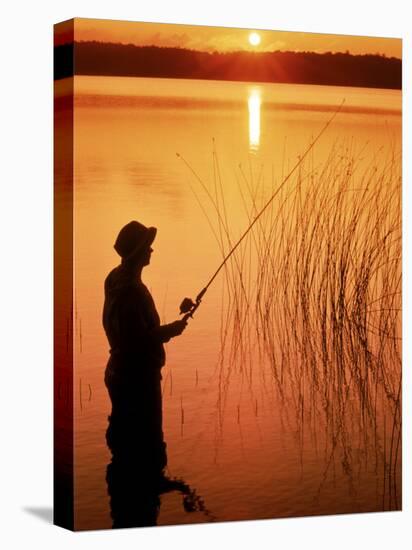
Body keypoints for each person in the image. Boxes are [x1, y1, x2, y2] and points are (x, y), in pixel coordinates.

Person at [103, 220, 187, 475]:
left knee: (125, 438)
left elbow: (133, 333)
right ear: (137, 252)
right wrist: (172, 329)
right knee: (147, 444)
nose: (151, 251)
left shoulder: (115, 278)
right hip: (137, 379)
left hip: (118, 372)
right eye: (147, 247)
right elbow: (139, 340)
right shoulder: (131, 291)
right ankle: (145, 493)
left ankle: (131, 492)